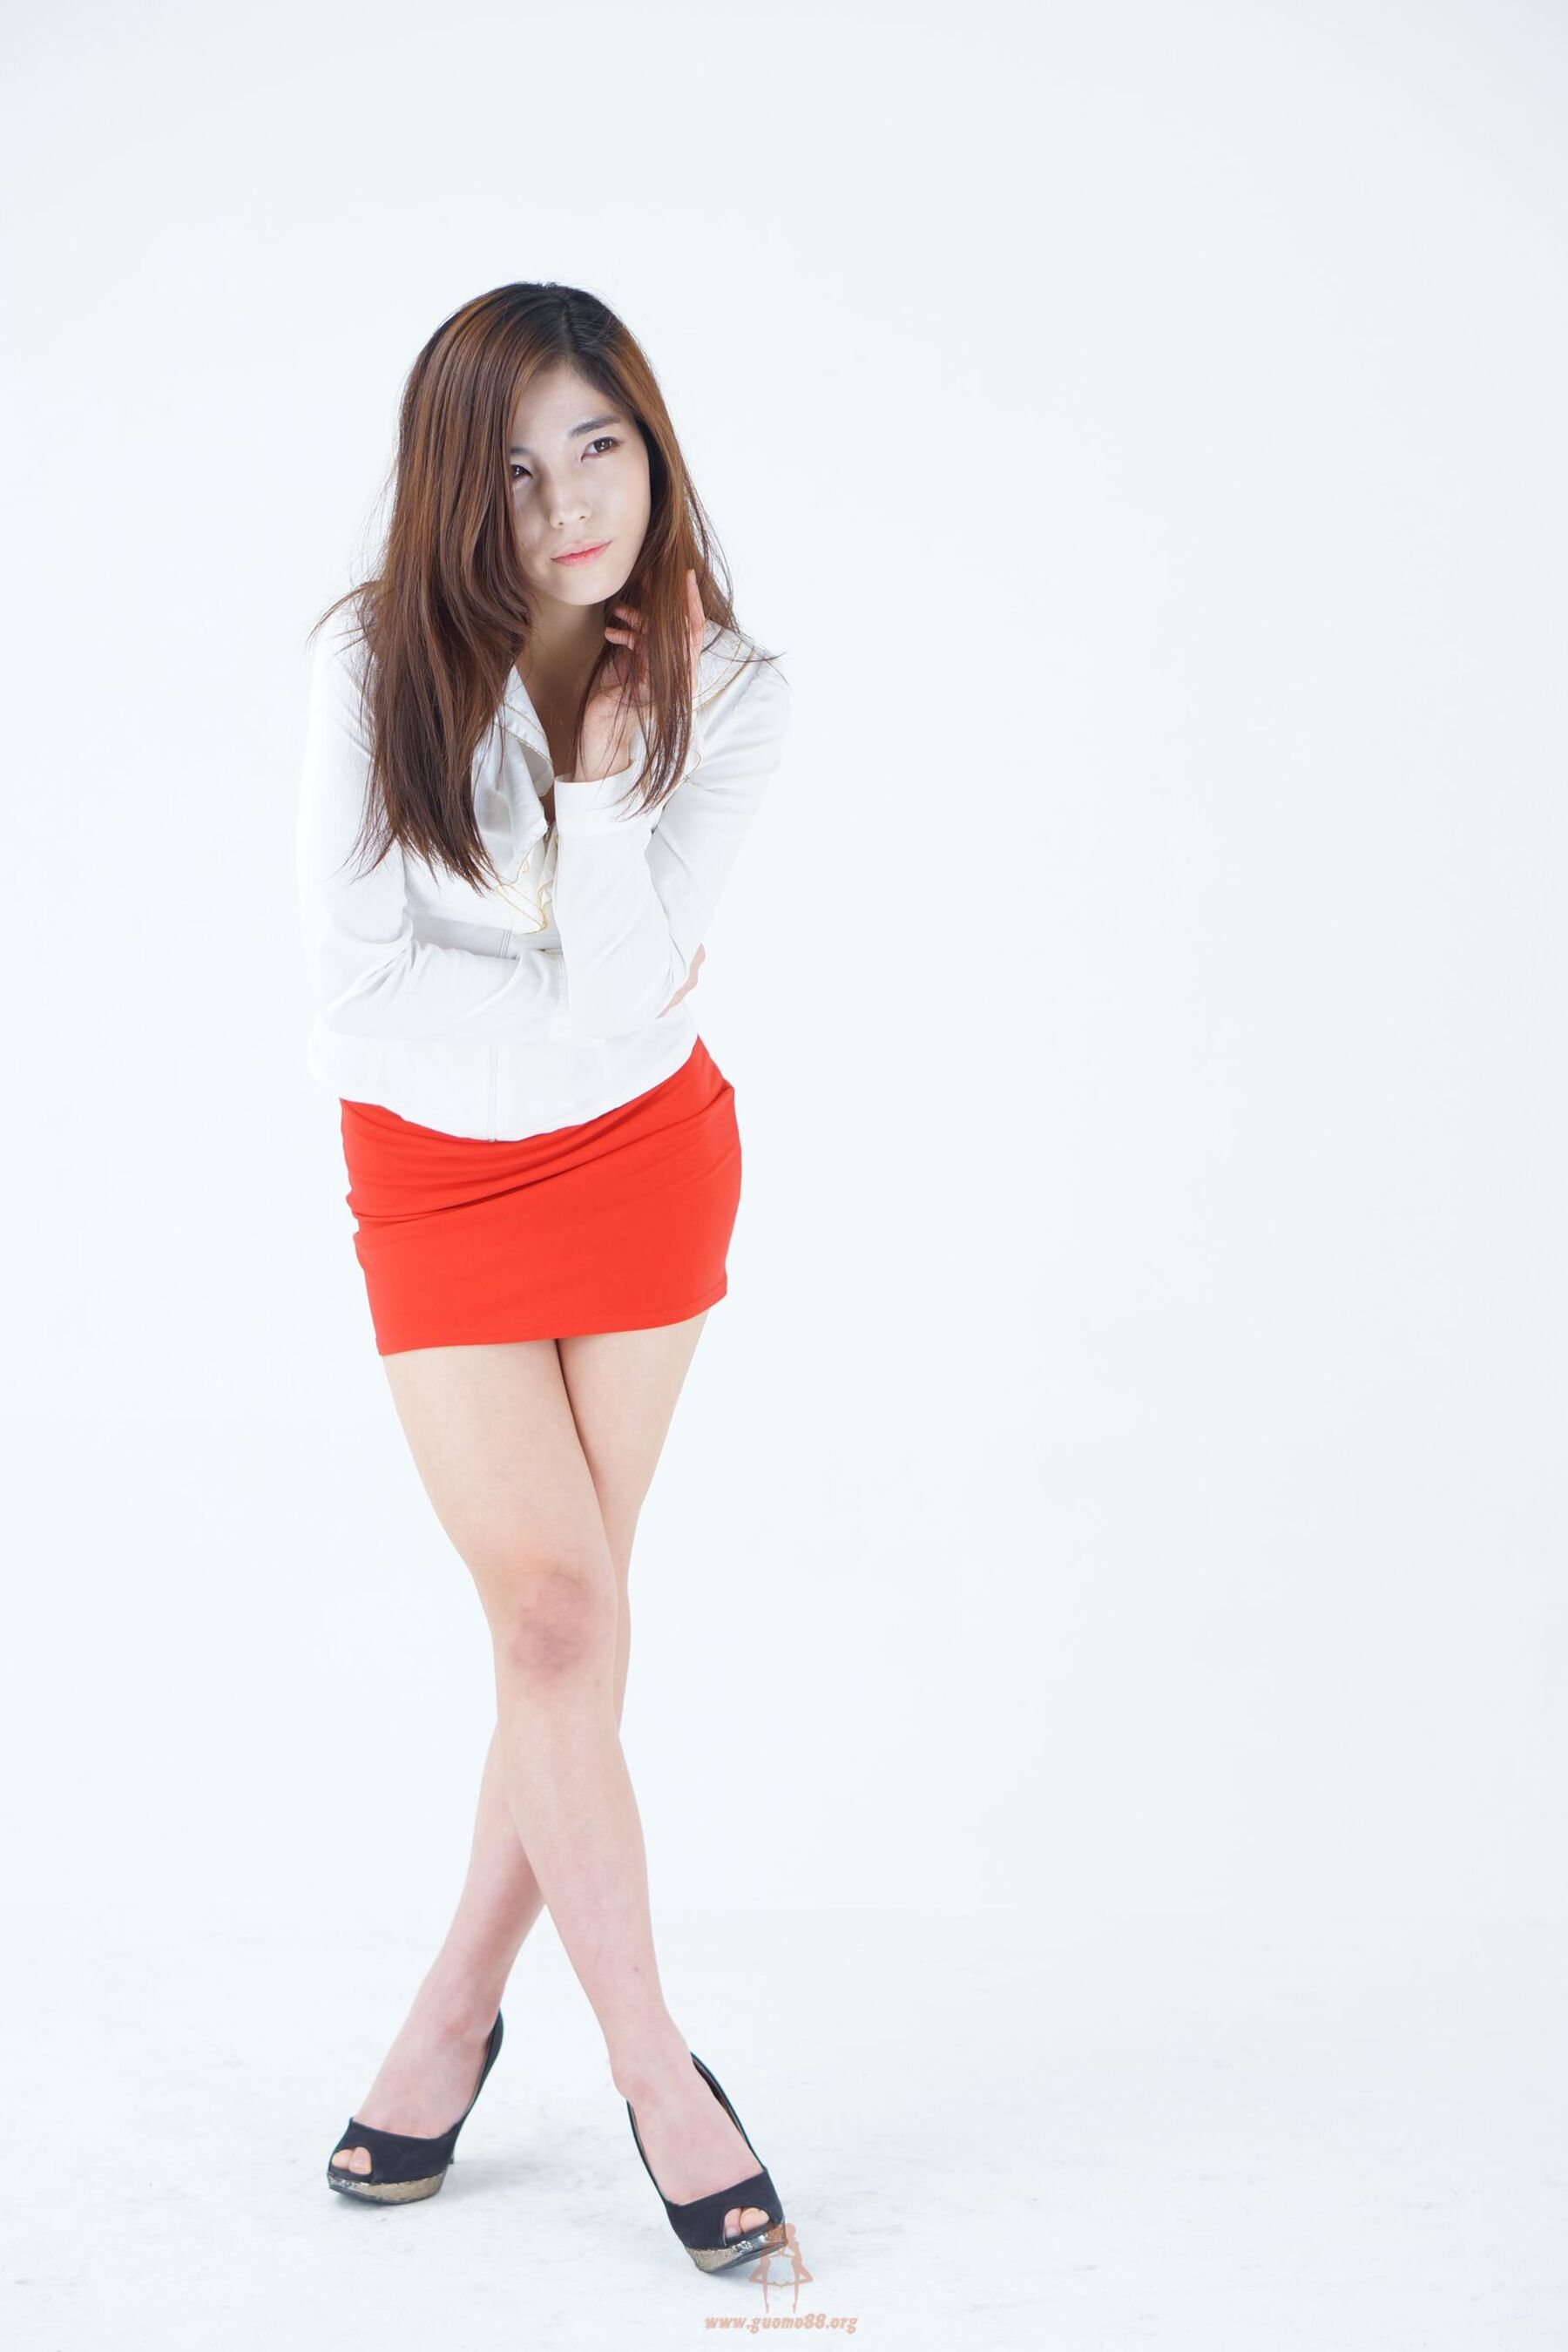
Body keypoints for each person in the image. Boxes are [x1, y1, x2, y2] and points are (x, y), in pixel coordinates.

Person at [295, 282, 793, 2274]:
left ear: (652, 450)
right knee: (562, 1618)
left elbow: (618, 1013)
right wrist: (583, 985)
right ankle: (660, 2069)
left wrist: (596, 779)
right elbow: (357, 992)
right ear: (455, 492)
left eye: (602, 445)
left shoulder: (729, 690)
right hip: (430, 1185)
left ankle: (450, 2019)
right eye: (516, 470)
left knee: (558, 1630)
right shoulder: (372, 663)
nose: (571, 501)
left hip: (645, 1171)